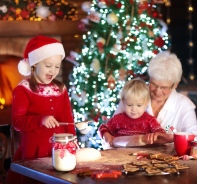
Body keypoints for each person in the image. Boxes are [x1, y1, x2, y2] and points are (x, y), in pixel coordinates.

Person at [7, 35, 76, 184]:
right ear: (34, 64)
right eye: (48, 65)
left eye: (57, 66)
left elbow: (67, 119)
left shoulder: (61, 89)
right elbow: (18, 122)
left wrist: (72, 141)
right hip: (34, 154)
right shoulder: (22, 90)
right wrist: (41, 120)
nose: (53, 70)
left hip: (60, 152)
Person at [114, 51, 197, 143]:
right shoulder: (132, 95)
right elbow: (110, 134)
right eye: (154, 84)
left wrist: (172, 138)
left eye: (164, 87)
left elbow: (195, 136)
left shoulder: (184, 105)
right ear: (149, 79)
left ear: (175, 85)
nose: (158, 92)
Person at [98, 79, 167, 147]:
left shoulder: (150, 120)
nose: (134, 109)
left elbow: (161, 133)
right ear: (123, 102)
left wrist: (154, 136)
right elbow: (103, 127)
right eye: (129, 105)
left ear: (146, 104)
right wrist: (106, 135)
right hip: (119, 154)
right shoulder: (118, 119)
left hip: (142, 155)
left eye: (139, 105)